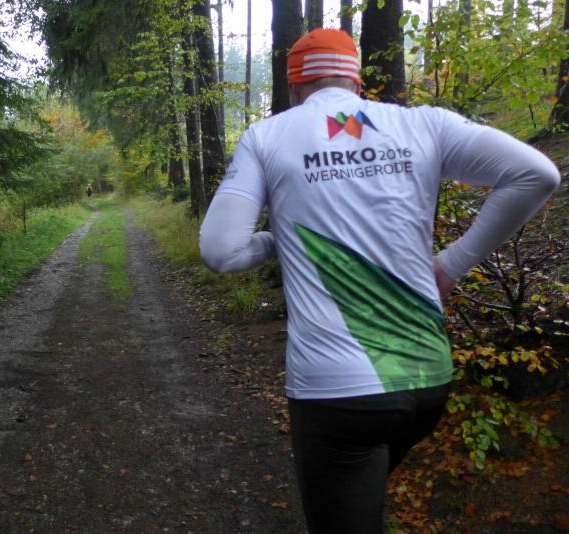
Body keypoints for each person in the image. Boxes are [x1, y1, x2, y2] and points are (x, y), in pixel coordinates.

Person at [199, 28, 560, 533]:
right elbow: (537, 174)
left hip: (336, 392)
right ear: (355, 81)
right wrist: (451, 264)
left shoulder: (267, 137)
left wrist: (279, 238)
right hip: (427, 380)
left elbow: (221, 251)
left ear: (295, 86)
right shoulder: (424, 124)